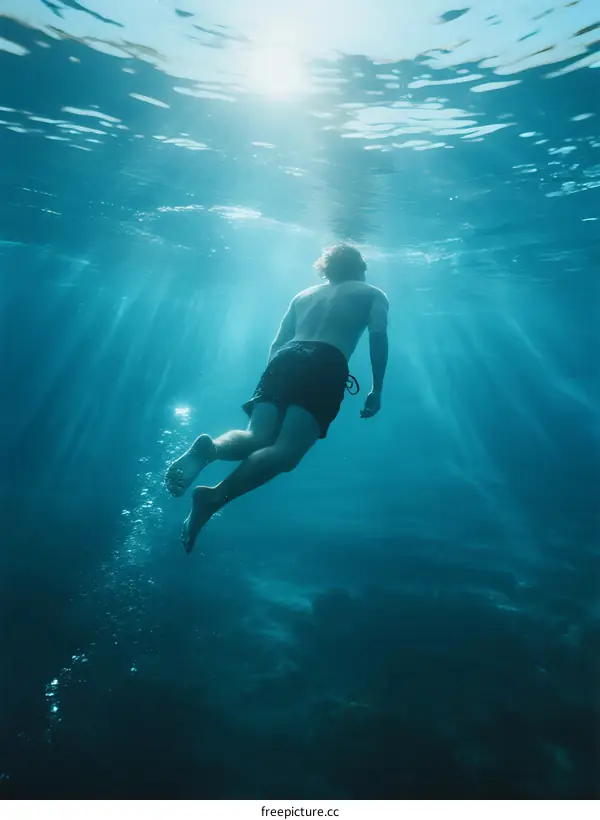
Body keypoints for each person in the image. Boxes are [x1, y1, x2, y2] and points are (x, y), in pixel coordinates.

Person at [165, 243, 389, 553]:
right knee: (285, 453)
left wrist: (271, 381)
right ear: (360, 267)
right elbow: (378, 338)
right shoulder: (372, 294)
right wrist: (376, 389)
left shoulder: (304, 296)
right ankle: (214, 498)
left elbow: (278, 342)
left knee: (257, 435)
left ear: (325, 268)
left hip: (284, 359)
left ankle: (212, 449)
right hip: (326, 361)